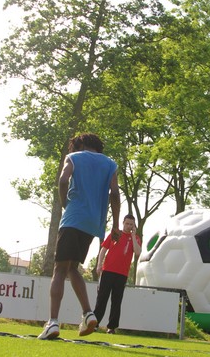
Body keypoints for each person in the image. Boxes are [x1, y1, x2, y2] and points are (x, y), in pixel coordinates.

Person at [38, 133, 121, 340]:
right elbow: (115, 193)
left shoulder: (74, 158)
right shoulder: (110, 164)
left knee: (59, 269)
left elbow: (63, 180)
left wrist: (65, 203)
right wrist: (116, 225)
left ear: (81, 144)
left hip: (73, 218)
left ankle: (53, 322)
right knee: (72, 268)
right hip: (93, 224)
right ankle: (88, 313)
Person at [93, 214, 142, 334]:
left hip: (122, 274)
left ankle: (112, 327)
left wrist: (133, 236)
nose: (128, 226)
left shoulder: (136, 238)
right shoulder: (115, 234)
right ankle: (94, 324)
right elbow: (103, 249)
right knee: (102, 298)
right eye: (127, 223)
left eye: (131, 224)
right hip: (108, 271)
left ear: (134, 226)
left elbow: (137, 252)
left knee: (116, 300)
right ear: (123, 223)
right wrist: (99, 265)